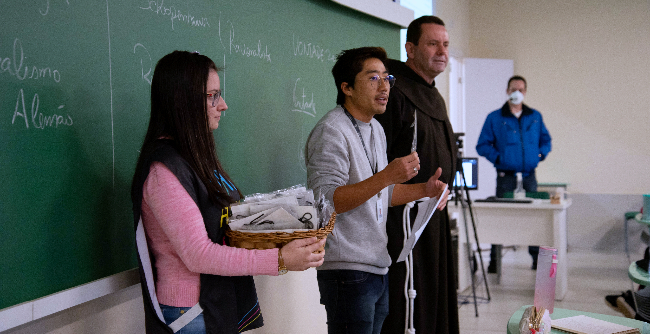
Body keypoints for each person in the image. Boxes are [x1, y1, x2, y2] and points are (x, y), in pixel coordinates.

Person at [130, 50, 326, 334]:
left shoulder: (193, 160)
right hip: (191, 312)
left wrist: (290, 230)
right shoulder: (164, 171)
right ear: (183, 101)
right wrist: (280, 260)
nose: (223, 105)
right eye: (212, 96)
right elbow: (199, 254)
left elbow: (229, 224)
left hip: (213, 303)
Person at [305, 46, 449, 334]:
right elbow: (329, 202)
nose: (385, 87)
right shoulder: (331, 131)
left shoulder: (376, 129)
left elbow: (382, 195)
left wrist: (425, 190)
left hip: (377, 265)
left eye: (387, 78)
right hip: (346, 269)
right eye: (373, 78)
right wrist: (386, 176)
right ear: (346, 87)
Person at [374, 16, 459, 334]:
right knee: (409, 309)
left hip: (431, 219)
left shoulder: (432, 93)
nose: (442, 51)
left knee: (432, 304)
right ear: (410, 48)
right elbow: (376, 163)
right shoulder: (395, 93)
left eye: (446, 44)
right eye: (433, 43)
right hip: (402, 223)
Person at [476, 75, 552, 271]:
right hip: (505, 178)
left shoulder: (535, 116)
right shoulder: (495, 118)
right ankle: (494, 261)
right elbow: (482, 145)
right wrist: (499, 158)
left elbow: (546, 140)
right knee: (501, 217)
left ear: (525, 92)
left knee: (535, 218)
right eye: (513, 89)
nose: (516, 92)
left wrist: (540, 155)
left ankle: (536, 260)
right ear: (507, 91)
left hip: (529, 176)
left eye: (520, 89)